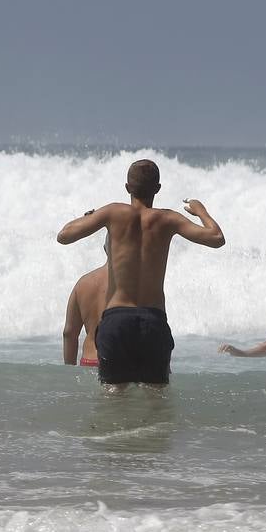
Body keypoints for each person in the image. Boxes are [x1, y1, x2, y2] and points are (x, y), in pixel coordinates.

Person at [57, 159, 225, 385]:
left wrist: (92, 218)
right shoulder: (168, 218)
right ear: (158, 189)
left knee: (114, 397)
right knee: (157, 398)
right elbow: (216, 238)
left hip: (117, 319)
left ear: (127, 187)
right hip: (153, 320)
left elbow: (64, 235)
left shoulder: (113, 212)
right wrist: (200, 211)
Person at [62, 240, 109, 367]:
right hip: (118, 361)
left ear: (105, 248)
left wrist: (70, 370)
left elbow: (69, 332)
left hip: (88, 359)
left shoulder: (83, 282)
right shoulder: (131, 285)